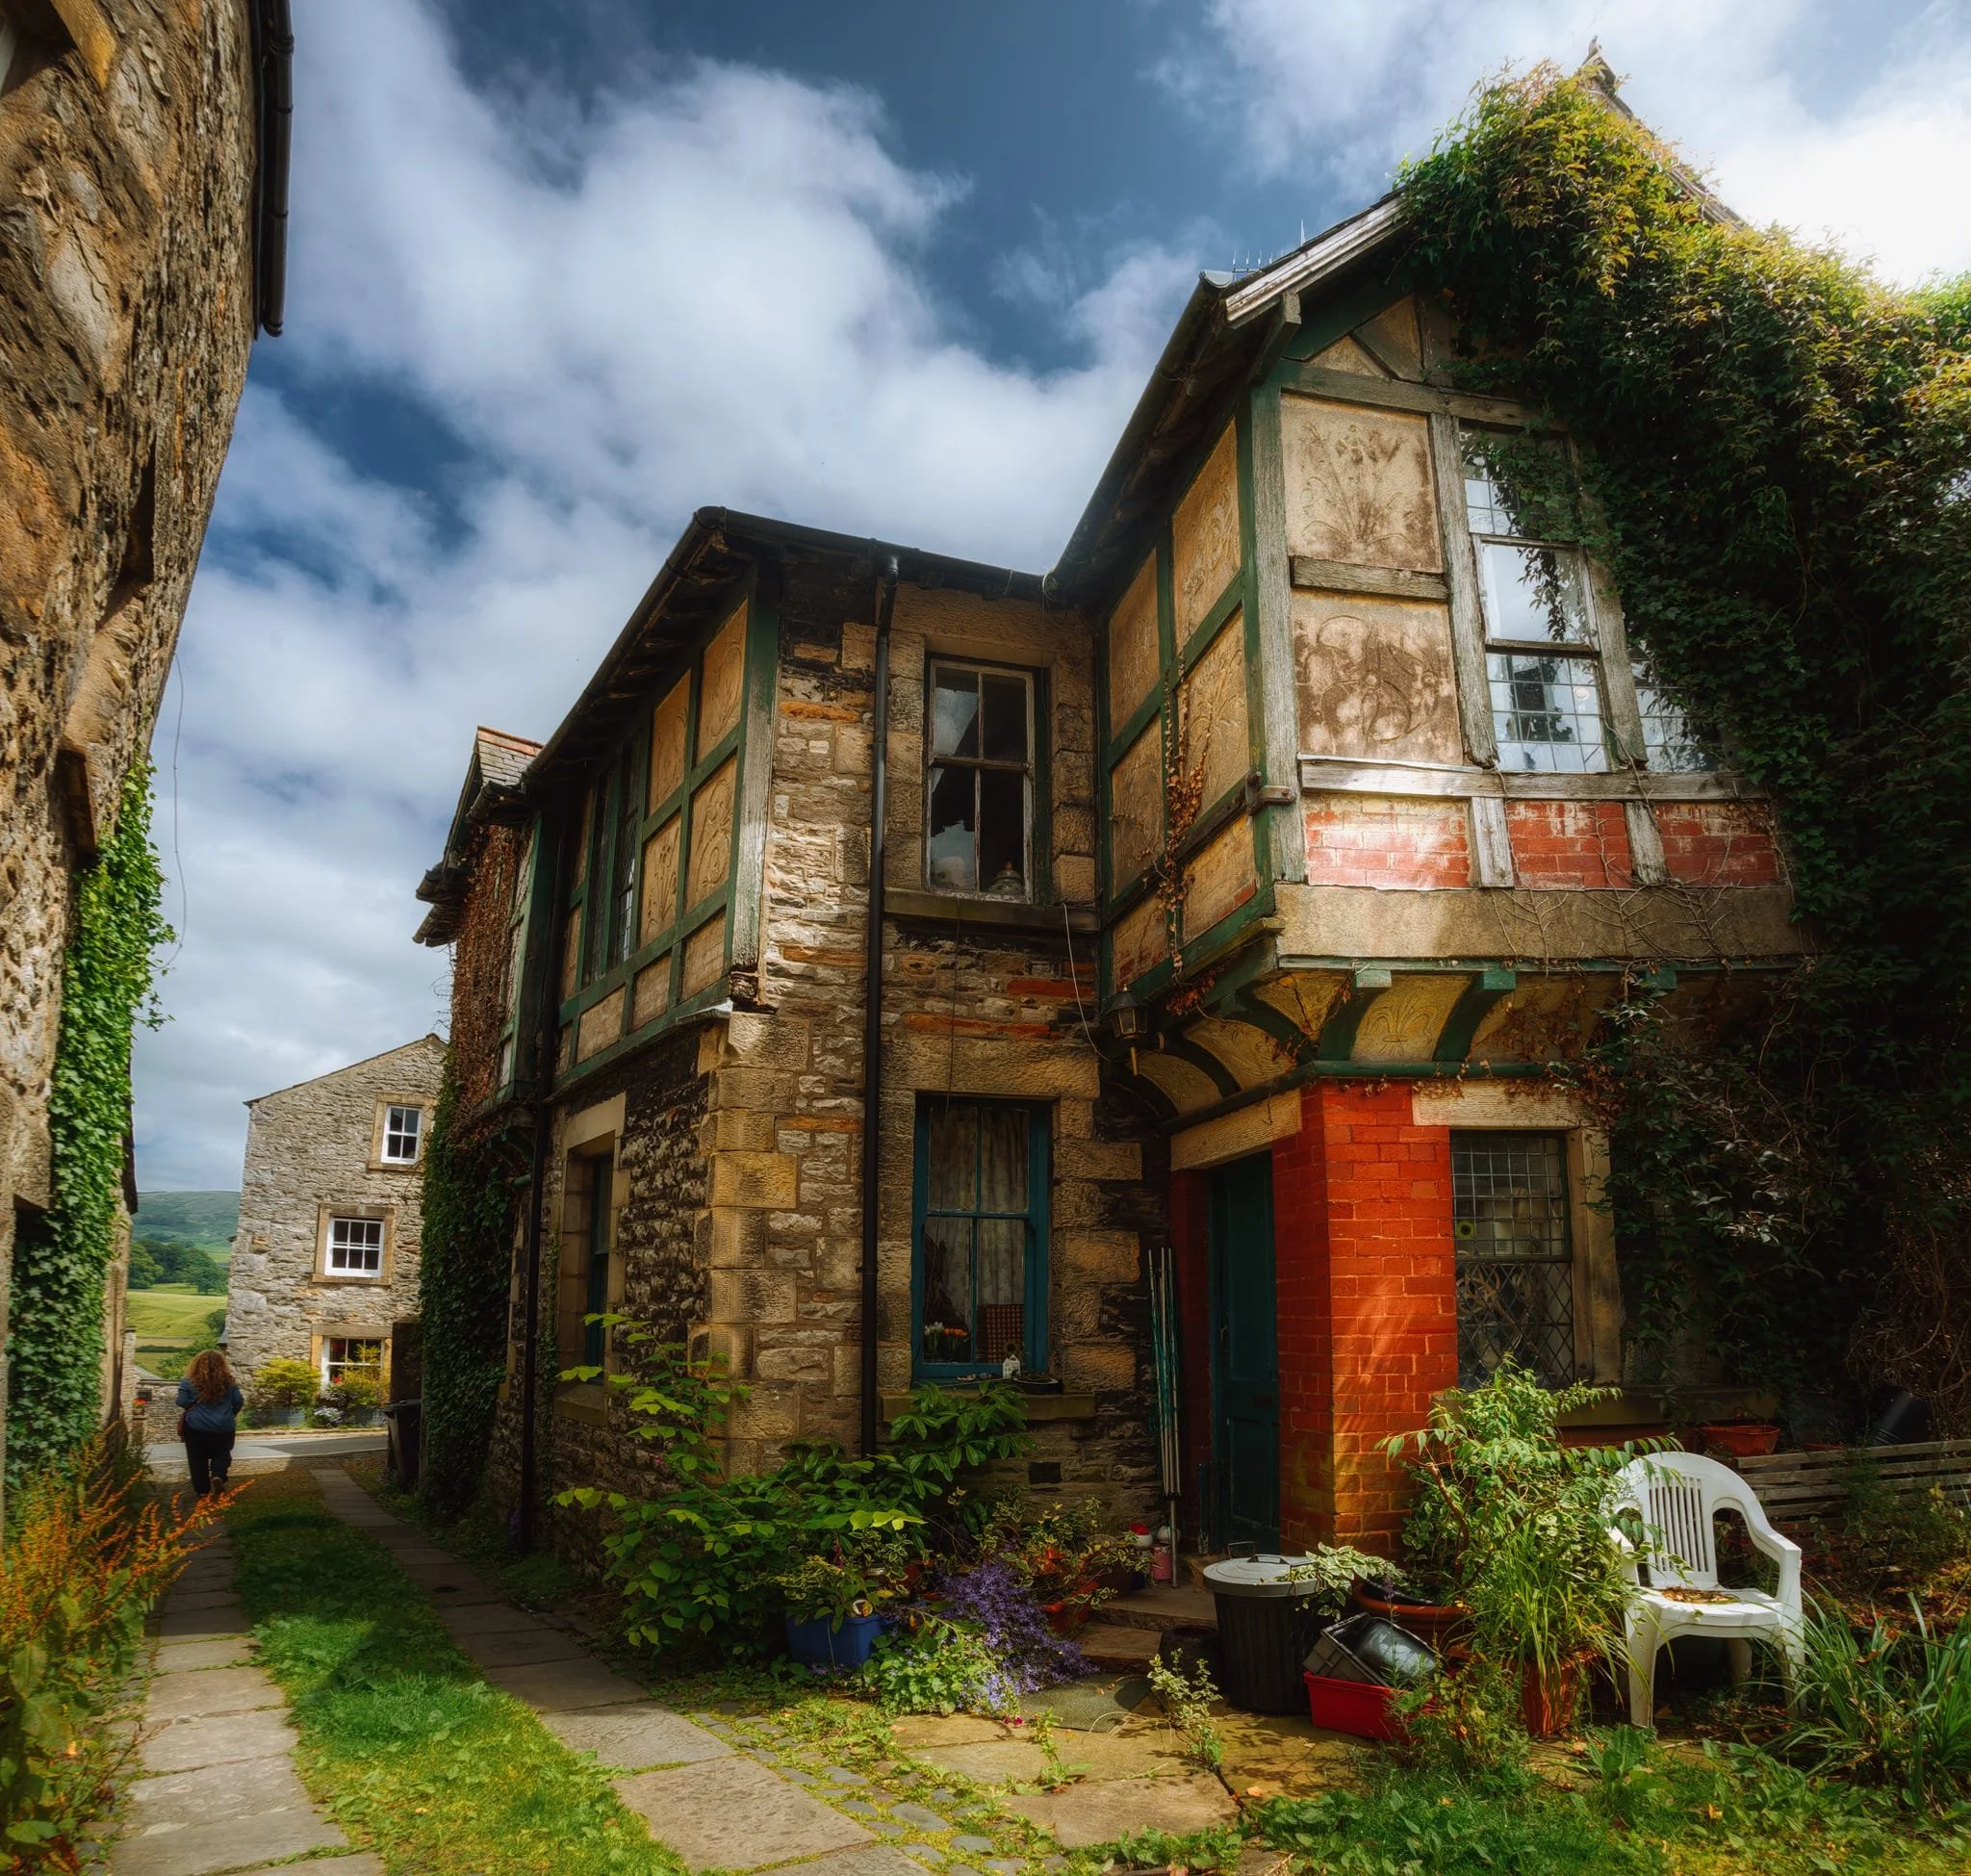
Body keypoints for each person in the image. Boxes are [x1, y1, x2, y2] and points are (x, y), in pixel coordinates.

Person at [178, 1348, 244, 1497]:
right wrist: (229, 1414)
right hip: (223, 1426)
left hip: (196, 1426)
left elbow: (181, 1401)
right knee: (222, 1453)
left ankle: (202, 1491)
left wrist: (193, 1405)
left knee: (197, 1459)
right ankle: (218, 1475)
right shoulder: (229, 1382)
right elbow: (239, 1401)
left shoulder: (188, 1382)